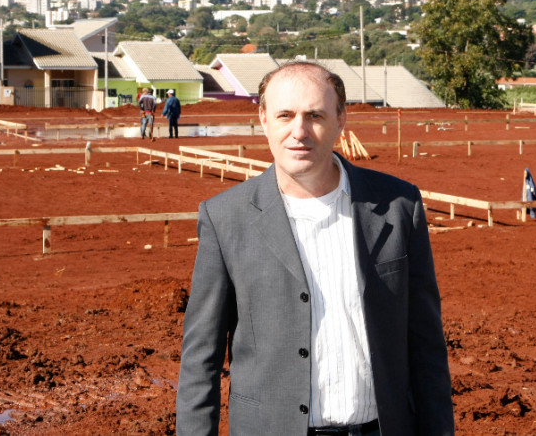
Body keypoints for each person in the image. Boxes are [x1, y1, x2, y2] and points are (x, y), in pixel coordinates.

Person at [177, 61, 454, 436]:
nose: (299, 132)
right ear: (263, 119)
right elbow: (200, 360)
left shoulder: (399, 205)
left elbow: (426, 348)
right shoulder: (225, 218)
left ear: (341, 120)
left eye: (315, 115)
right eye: (285, 115)